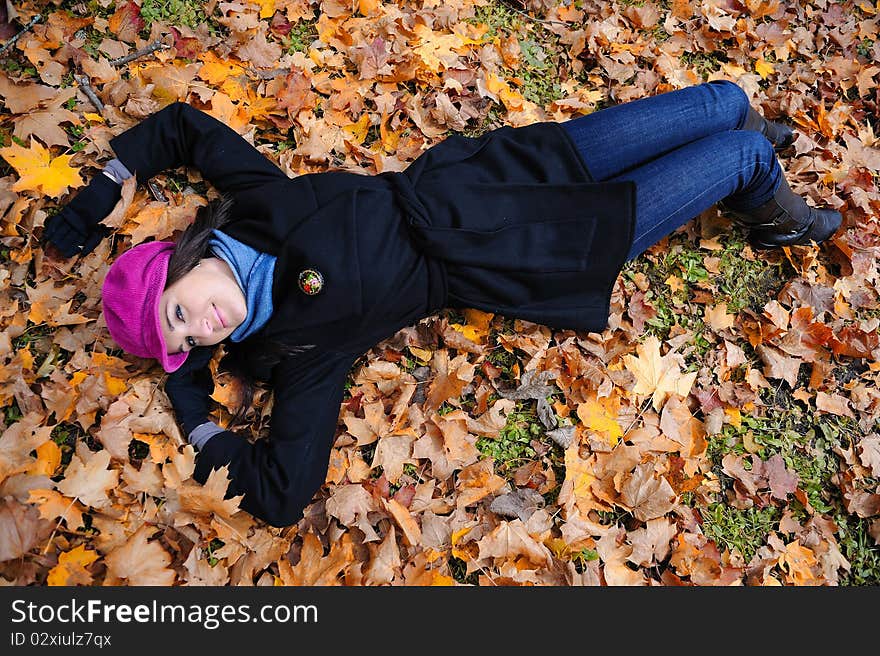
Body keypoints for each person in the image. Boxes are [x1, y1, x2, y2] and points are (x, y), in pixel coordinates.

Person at [42, 80, 841, 527]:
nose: (204, 326)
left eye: (179, 309)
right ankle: (777, 215)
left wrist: (107, 183)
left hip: (508, 169)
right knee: (739, 151)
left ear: (182, 263)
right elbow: (283, 492)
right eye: (187, 341)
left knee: (724, 102)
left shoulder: (257, 204)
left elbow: (184, 126)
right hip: (530, 247)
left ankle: (751, 161)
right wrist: (194, 407)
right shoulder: (298, 347)